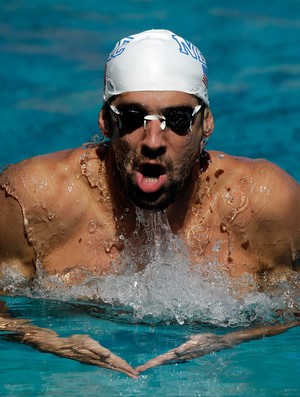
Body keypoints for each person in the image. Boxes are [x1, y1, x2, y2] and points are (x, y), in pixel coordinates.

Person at [0, 29, 299, 378]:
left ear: (206, 124)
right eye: (131, 117)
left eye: (177, 120)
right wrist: (46, 339)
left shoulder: (265, 203)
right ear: (105, 121)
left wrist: (231, 338)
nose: (154, 141)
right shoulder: (33, 200)